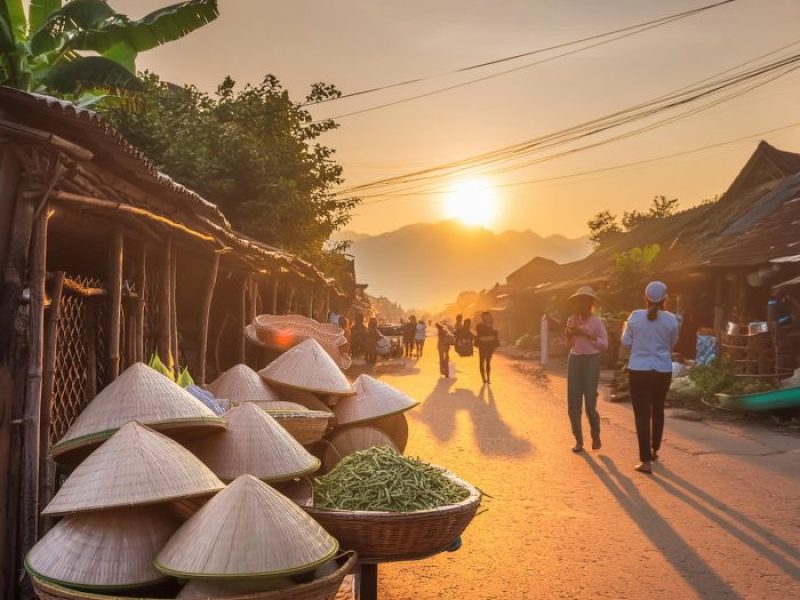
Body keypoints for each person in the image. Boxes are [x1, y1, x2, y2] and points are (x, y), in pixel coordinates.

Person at [621, 281, 680, 474]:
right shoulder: (672, 320)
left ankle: (645, 461)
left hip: (639, 369)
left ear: (645, 298)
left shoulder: (635, 317)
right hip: (663, 369)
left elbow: (625, 341)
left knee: (642, 414)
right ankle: (655, 450)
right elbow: (672, 343)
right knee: (658, 409)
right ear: (665, 299)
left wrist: (638, 350)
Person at [565, 286, 609, 453]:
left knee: (590, 401)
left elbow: (605, 345)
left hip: (591, 360)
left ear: (591, 303)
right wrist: (569, 335)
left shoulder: (596, 322)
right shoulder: (571, 320)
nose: (581, 304)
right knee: (573, 402)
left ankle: (595, 435)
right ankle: (578, 440)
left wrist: (589, 335)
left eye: (585, 300)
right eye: (579, 300)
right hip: (574, 360)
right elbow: (568, 345)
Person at [474, 312, 499, 384]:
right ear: (483, 318)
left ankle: (488, 378)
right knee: (482, 362)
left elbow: (494, 335)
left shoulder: (492, 325)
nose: (487, 318)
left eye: (488, 316)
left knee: (488, 362)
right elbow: (480, 335)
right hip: (482, 346)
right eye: (485, 317)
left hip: (490, 346)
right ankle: (483, 379)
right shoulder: (479, 326)